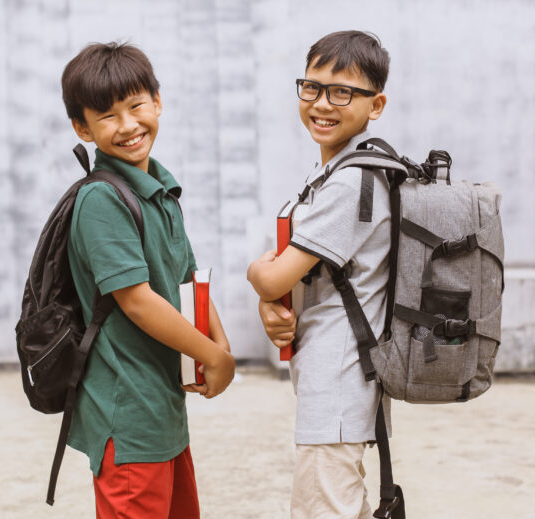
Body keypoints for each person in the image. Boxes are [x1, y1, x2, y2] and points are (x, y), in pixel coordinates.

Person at [61, 42, 235, 519]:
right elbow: (136, 300)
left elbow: (188, 279)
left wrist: (220, 345)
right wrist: (211, 354)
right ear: (83, 127)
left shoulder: (160, 191)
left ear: (157, 101)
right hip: (126, 409)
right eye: (107, 115)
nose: (128, 125)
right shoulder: (101, 200)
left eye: (136, 106)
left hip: (161, 406)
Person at [247, 30, 391, 518]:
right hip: (332, 379)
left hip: (339, 379)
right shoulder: (331, 173)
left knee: (323, 509)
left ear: (376, 104)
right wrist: (273, 306)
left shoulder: (353, 183)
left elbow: (274, 276)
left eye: (342, 92)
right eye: (312, 87)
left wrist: (259, 277)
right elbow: (298, 278)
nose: (323, 103)